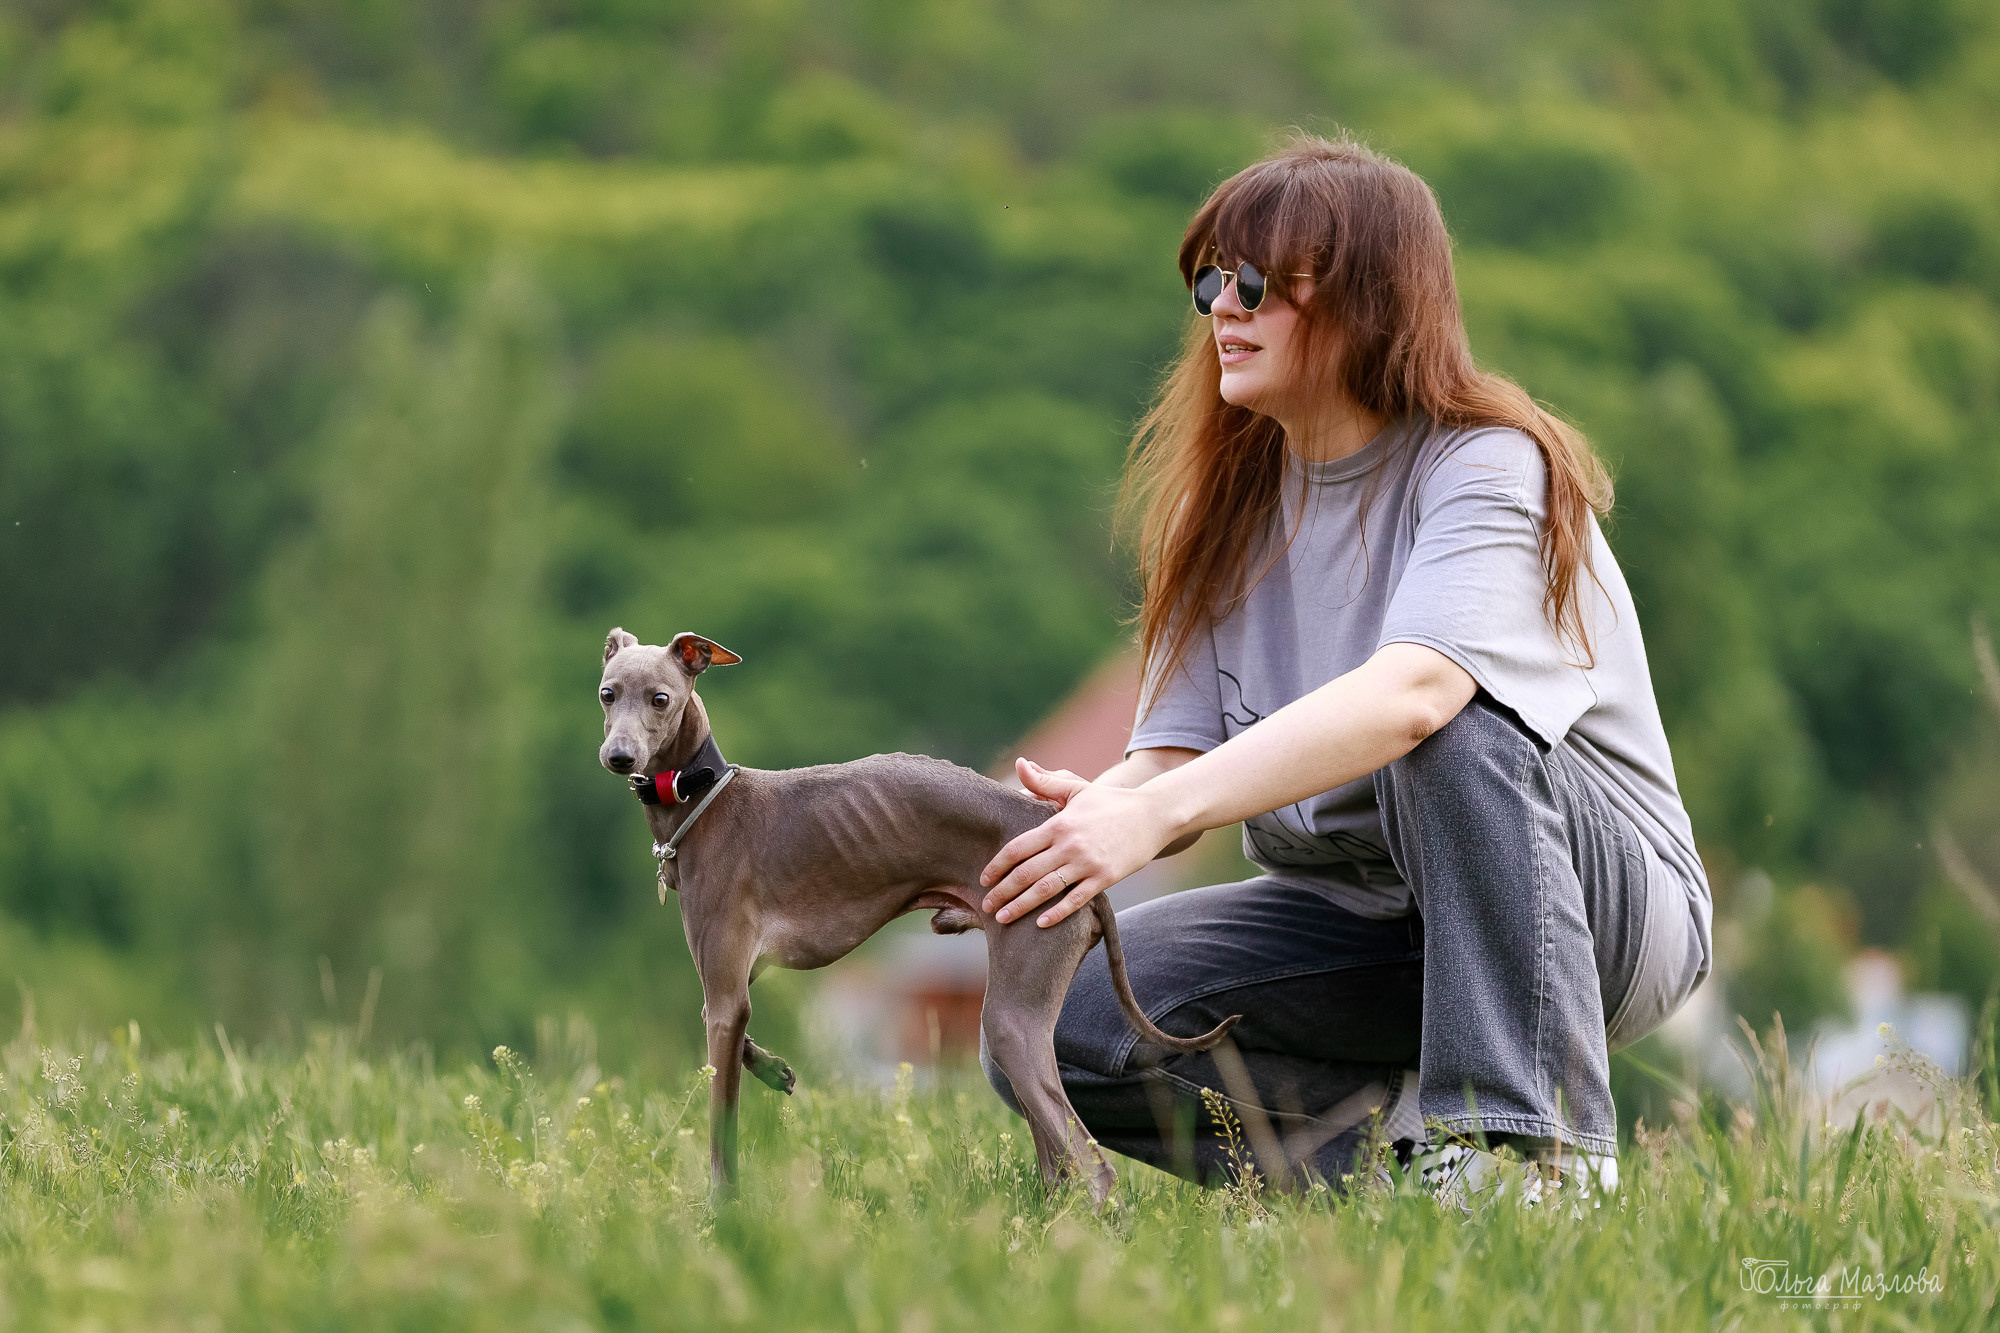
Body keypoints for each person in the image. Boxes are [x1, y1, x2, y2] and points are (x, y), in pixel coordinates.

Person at [976, 133, 1712, 1197]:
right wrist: (1071, 833)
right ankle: (1401, 1178)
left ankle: (1529, 1156)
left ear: (1371, 298)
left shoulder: (1487, 464)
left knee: (1447, 725)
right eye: (1208, 283)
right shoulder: (1219, 514)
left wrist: (1151, 810)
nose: (1223, 309)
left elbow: (1414, 698)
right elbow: (1171, 761)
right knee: (1057, 1023)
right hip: (1361, 916)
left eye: (1256, 282)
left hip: (1590, 918)